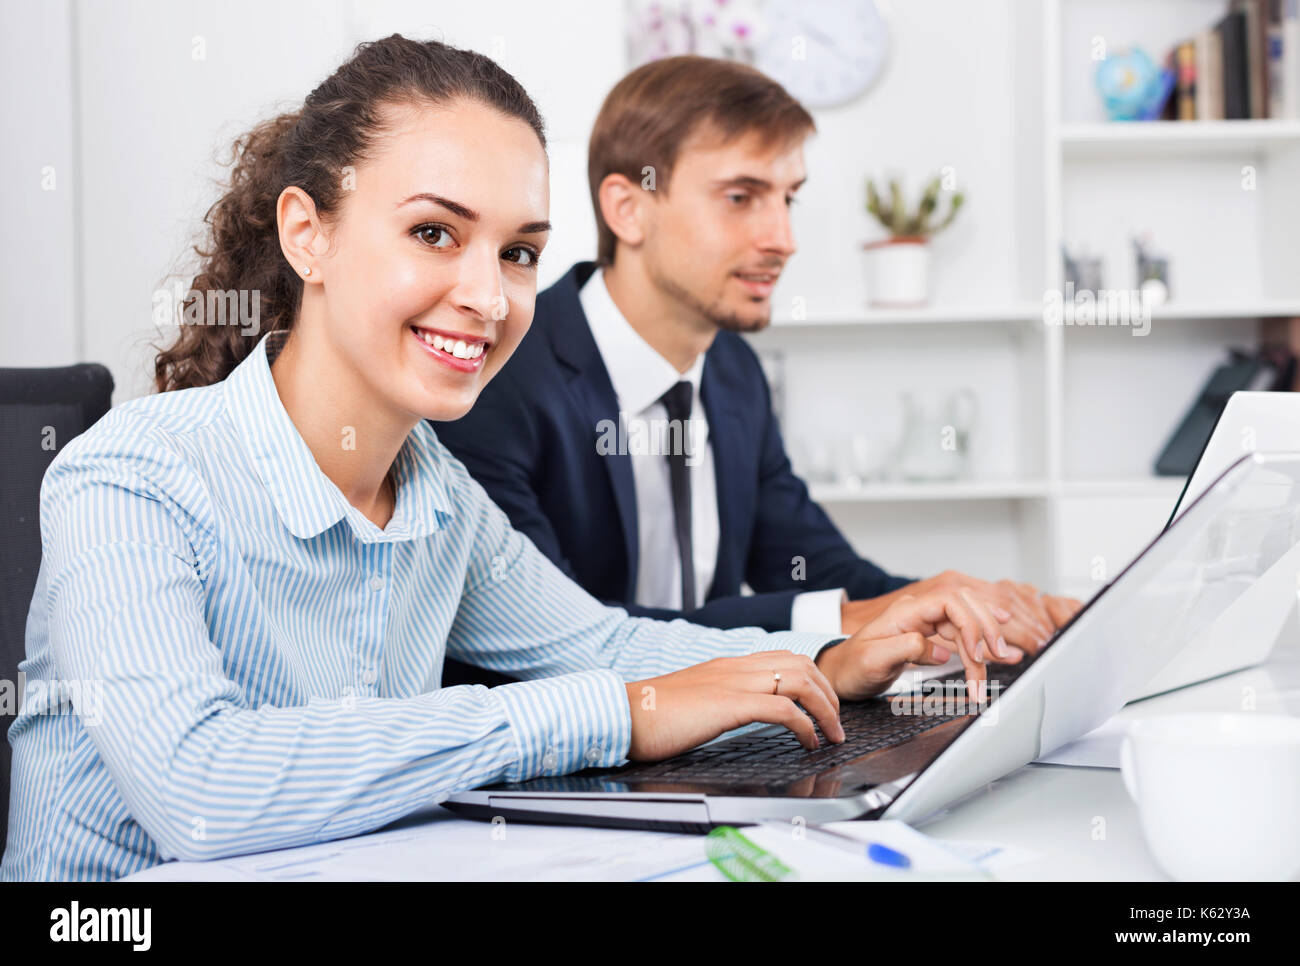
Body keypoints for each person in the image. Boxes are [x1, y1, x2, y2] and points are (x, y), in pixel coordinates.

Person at [1, 36, 1013, 882]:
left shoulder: (437, 491)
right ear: (308, 234)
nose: (489, 298)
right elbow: (202, 788)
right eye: (435, 232)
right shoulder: (129, 475)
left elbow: (605, 649)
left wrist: (828, 661)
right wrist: (614, 715)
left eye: (519, 252)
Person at [434, 56, 1080, 682]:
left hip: (722, 738)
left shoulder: (733, 370)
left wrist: (970, 606)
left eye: (788, 199)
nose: (782, 238)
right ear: (628, 208)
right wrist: (849, 622)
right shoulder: (498, 372)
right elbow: (567, 638)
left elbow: (813, 569)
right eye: (741, 197)